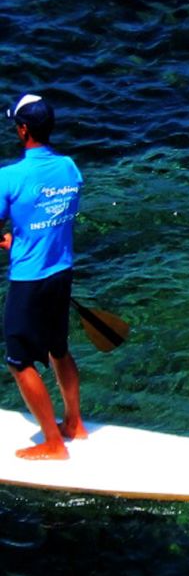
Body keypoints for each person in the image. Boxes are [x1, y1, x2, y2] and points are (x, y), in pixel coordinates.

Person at [1, 93, 86, 460]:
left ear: (23, 130)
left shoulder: (9, 177)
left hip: (29, 279)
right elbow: (50, 220)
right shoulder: (70, 168)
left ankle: (52, 442)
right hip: (60, 272)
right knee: (58, 348)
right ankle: (74, 423)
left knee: (18, 360)